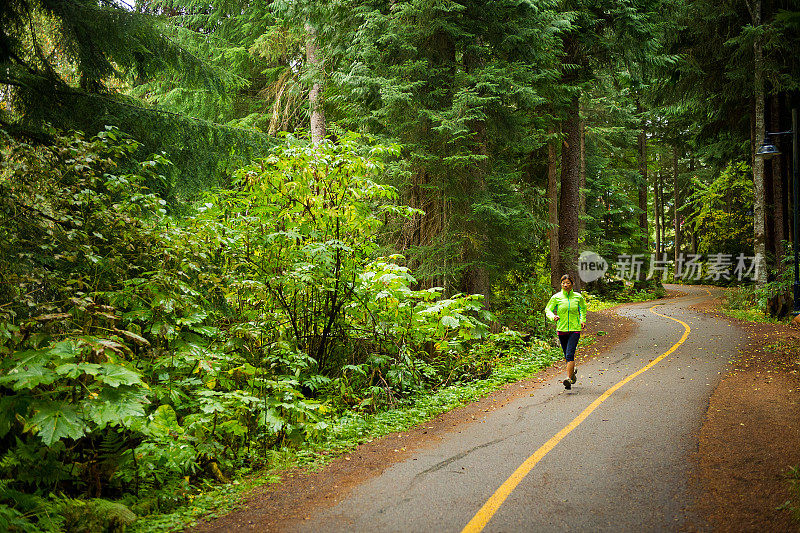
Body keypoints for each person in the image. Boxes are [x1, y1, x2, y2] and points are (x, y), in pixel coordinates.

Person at [545, 274, 587, 390]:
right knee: (566, 356)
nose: (565, 285)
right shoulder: (556, 297)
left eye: (568, 283)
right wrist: (553, 316)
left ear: (572, 284)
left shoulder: (578, 297)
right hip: (561, 329)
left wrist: (582, 320)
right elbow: (547, 309)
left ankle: (568, 379)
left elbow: (583, 308)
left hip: (575, 329)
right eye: (563, 283)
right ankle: (572, 374)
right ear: (561, 284)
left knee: (570, 354)